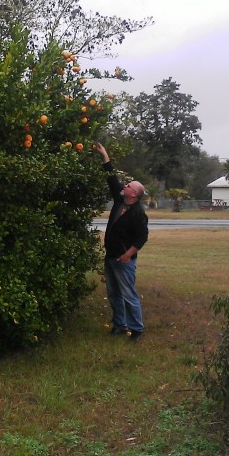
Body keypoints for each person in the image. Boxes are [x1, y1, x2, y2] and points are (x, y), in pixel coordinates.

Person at [93, 142, 149, 341]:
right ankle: (119, 324)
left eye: (129, 186)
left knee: (128, 295)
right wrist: (104, 155)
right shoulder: (120, 201)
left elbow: (142, 237)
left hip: (124, 260)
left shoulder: (138, 213)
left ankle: (137, 330)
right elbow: (112, 180)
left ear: (134, 194)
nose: (125, 186)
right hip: (111, 257)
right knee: (114, 293)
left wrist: (128, 254)